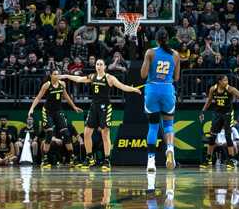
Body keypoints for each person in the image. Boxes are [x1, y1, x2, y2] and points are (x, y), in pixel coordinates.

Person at [61, 59, 142, 167]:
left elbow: (122, 86)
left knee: (105, 133)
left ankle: (107, 160)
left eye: (101, 64)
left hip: (105, 108)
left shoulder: (109, 78)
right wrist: (66, 76)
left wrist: (133, 89)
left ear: (104, 66)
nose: (99, 66)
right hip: (94, 107)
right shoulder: (92, 77)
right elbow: (79, 79)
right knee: (86, 133)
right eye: (97, 64)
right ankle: (89, 158)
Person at [141, 29, 181, 172]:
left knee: (153, 126)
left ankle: (151, 161)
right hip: (167, 90)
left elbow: (143, 74)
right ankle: (170, 149)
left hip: (152, 89)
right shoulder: (175, 55)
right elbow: (176, 78)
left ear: (156, 40)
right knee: (169, 125)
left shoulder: (150, 52)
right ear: (168, 39)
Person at [200, 75, 239, 165]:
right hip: (217, 113)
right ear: (219, 81)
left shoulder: (230, 89)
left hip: (228, 113)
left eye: (227, 80)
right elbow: (209, 101)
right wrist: (202, 111)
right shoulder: (213, 89)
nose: (226, 82)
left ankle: (230, 159)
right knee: (212, 137)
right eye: (224, 80)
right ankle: (208, 158)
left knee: (228, 136)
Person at [28, 71, 81, 165]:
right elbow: (38, 98)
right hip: (47, 111)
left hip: (58, 111)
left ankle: (73, 157)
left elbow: (66, 96)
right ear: (51, 76)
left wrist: (74, 106)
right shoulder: (47, 85)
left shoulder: (62, 84)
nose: (57, 75)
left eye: (58, 74)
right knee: (49, 133)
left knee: (66, 133)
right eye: (55, 74)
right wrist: (31, 109)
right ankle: (44, 159)